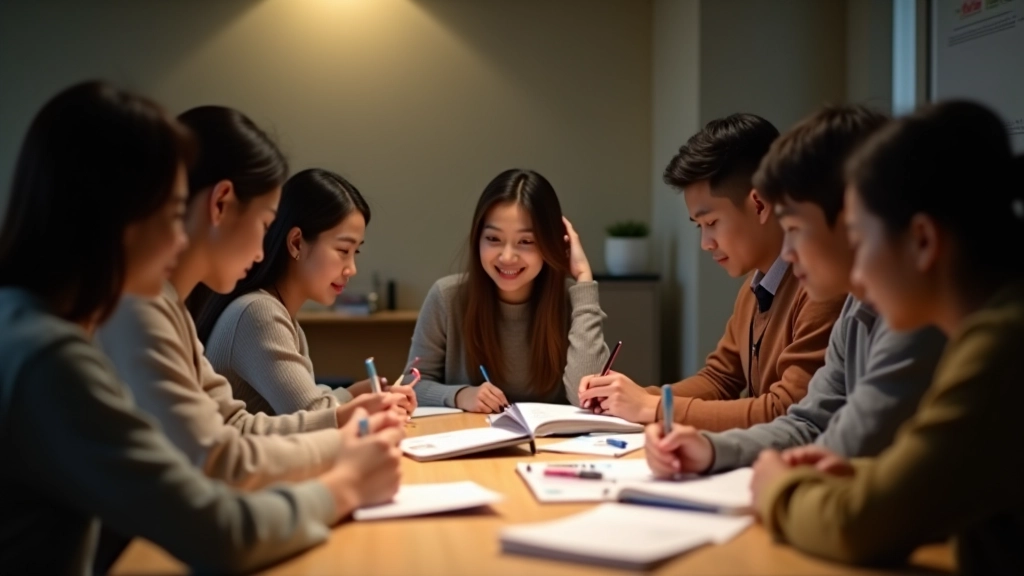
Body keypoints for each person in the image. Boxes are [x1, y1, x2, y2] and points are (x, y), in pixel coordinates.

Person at [0, 81, 402, 574]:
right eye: (171, 213)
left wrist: (344, 440)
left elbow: (228, 432)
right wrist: (346, 484)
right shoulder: (51, 355)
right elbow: (217, 523)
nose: (178, 239)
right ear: (116, 214)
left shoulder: (35, 325)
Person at [751, 100, 1023, 574]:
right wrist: (862, 474)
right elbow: (946, 482)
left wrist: (777, 488)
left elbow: (860, 525)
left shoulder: (1002, 345)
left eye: (860, 236)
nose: (857, 267)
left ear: (922, 241)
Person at [97, 106, 404, 489]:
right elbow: (216, 461)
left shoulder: (169, 308)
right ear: (219, 203)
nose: (261, 251)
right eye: (263, 224)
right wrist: (343, 470)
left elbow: (233, 428)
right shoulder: (159, 310)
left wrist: (343, 428)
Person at [644, 105, 946, 477]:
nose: (788, 251)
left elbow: (857, 460)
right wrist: (710, 449)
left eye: (797, 227)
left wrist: (779, 488)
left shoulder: (914, 315)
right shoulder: (856, 307)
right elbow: (808, 423)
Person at [580, 114, 844, 430]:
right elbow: (719, 378)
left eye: (711, 223)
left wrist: (654, 407)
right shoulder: (755, 287)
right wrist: (628, 399)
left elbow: (787, 410)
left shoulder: (820, 288)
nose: (706, 243)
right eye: (699, 227)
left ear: (759, 205)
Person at [194, 168, 418, 415]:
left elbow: (306, 409)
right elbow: (313, 416)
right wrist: (361, 403)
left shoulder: (281, 315)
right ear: (296, 242)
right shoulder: (259, 312)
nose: (351, 269)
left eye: (356, 252)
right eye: (343, 250)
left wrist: (354, 393)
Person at [407, 168, 609, 412]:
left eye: (526, 242)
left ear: (549, 243)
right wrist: (460, 395)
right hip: (470, 443)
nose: (507, 257)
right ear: (477, 239)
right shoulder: (447, 296)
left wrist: (584, 279)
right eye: (493, 239)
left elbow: (585, 397)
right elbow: (412, 384)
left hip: (552, 446)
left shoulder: (573, 300)